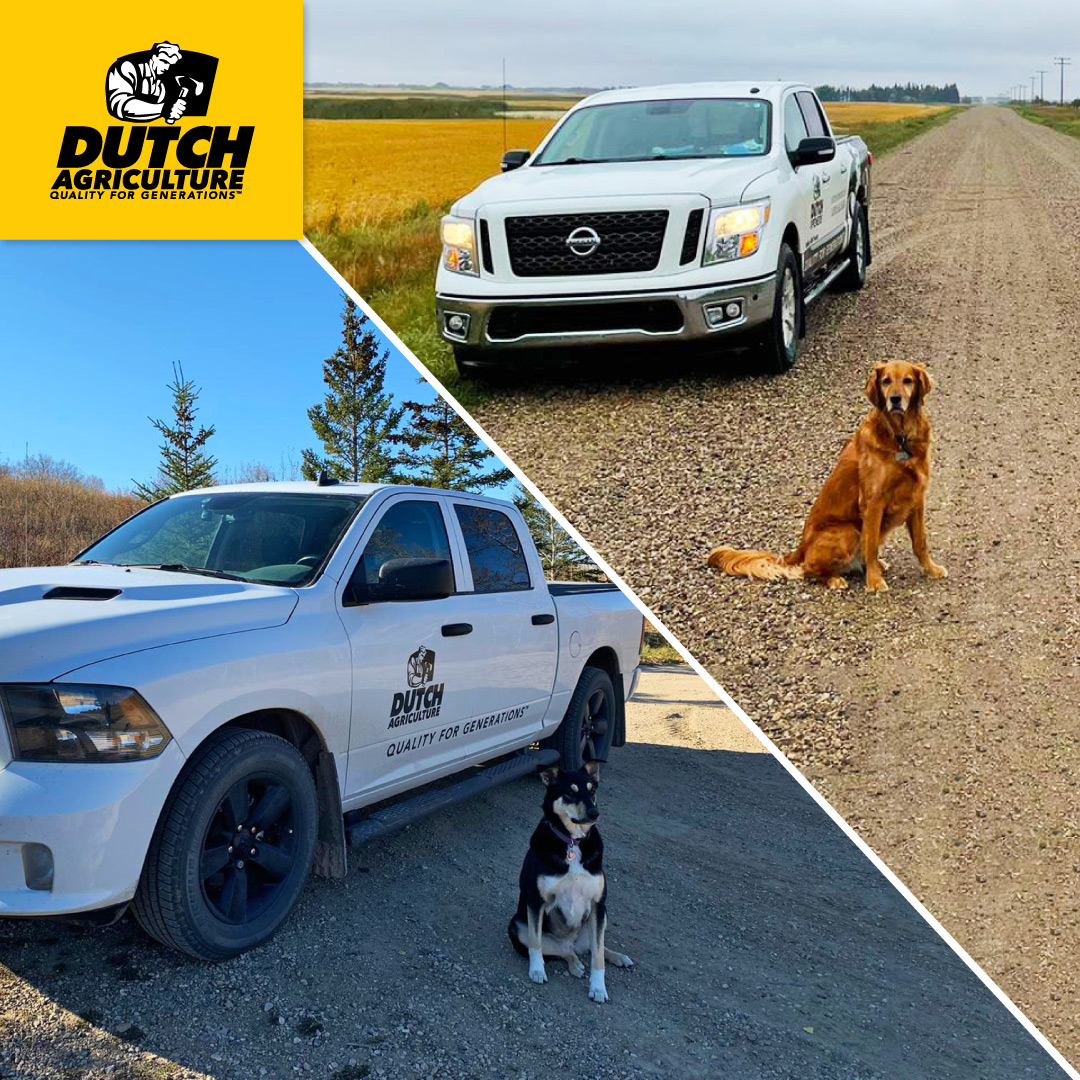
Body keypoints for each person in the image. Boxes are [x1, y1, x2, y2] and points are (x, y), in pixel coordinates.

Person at [106, 42, 185, 123]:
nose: (167, 67)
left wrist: (168, 111)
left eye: (170, 64)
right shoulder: (126, 67)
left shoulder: (161, 87)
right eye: (164, 61)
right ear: (153, 57)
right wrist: (164, 108)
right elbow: (119, 105)